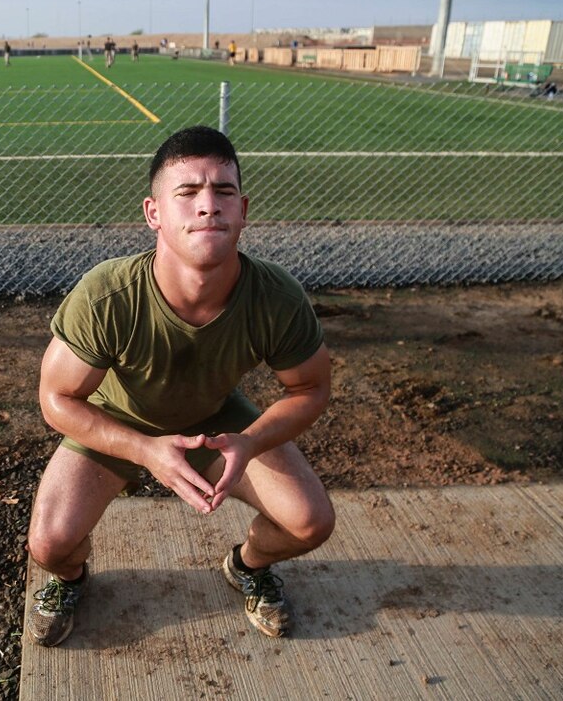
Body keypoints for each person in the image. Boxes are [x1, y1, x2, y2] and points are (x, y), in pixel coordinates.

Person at [26, 125, 334, 647]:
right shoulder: (109, 293)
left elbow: (310, 389)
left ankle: (247, 566)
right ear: (154, 213)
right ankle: (70, 580)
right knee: (50, 544)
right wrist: (145, 450)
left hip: (216, 424)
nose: (208, 206)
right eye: (187, 193)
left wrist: (252, 440)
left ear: (243, 210)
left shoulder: (276, 296)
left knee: (310, 522)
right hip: (121, 421)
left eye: (224, 192)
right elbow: (56, 399)